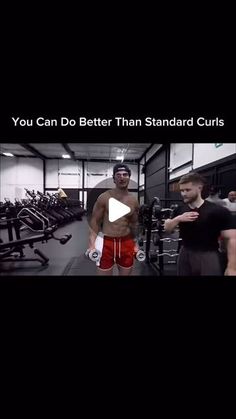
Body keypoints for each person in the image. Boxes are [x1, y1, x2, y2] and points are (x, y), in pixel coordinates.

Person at [164, 172, 236, 276]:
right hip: (185, 253)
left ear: (199, 188)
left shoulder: (217, 210)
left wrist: (232, 267)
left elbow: (232, 239)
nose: (184, 193)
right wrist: (178, 219)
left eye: (187, 190)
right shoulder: (180, 210)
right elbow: (167, 229)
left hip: (208, 254)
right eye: (182, 190)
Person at [87, 163, 140, 276]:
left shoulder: (134, 200)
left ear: (129, 177)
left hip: (126, 243)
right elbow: (95, 222)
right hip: (107, 243)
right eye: (118, 175)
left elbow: (134, 224)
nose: (122, 177)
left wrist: (136, 244)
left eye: (125, 174)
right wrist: (91, 245)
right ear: (114, 179)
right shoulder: (104, 197)